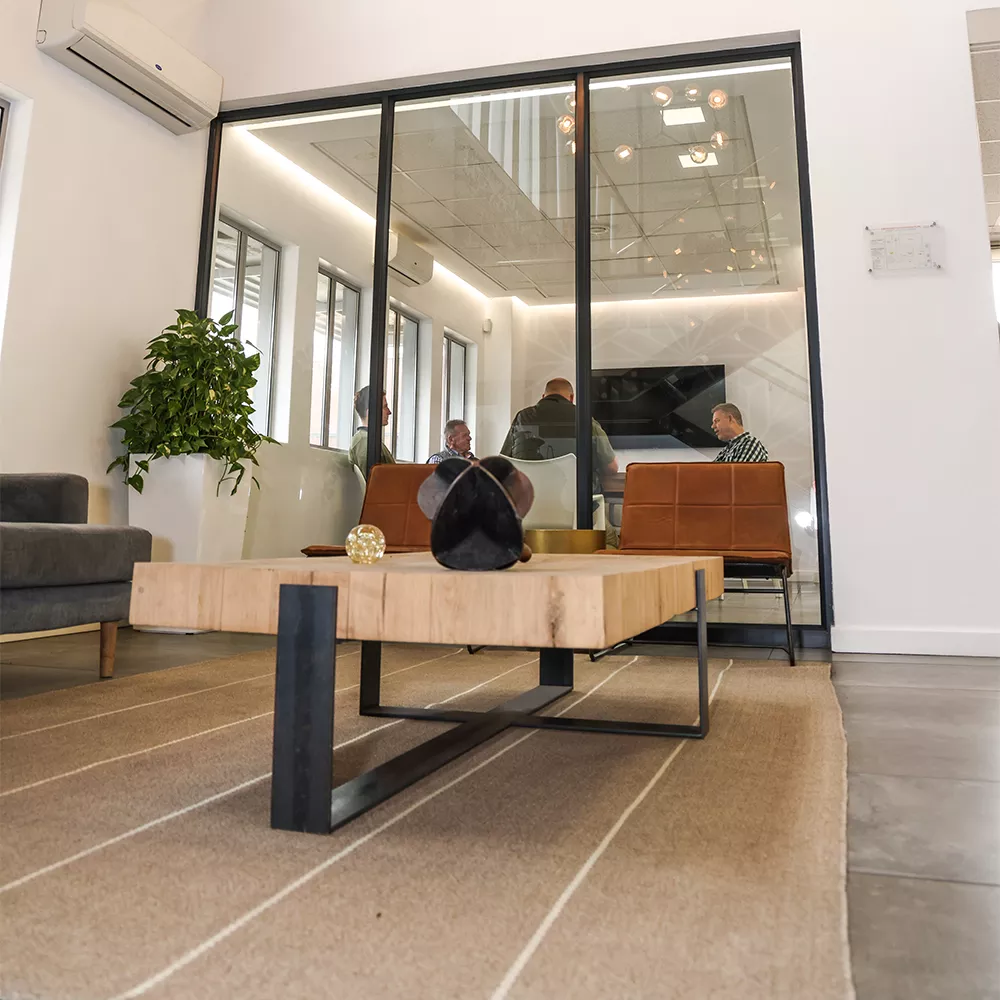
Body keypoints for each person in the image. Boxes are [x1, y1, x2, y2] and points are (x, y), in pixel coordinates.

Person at [500, 377, 618, 488]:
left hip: (530, 500)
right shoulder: (584, 418)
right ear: (571, 398)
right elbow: (611, 468)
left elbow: (504, 461)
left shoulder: (523, 417)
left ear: (543, 396)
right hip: (575, 503)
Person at [349, 385, 395, 476]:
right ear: (371, 412)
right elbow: (376, 483)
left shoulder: (367, 440)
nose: (389, 412)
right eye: (385, 407)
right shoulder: (365, 442)